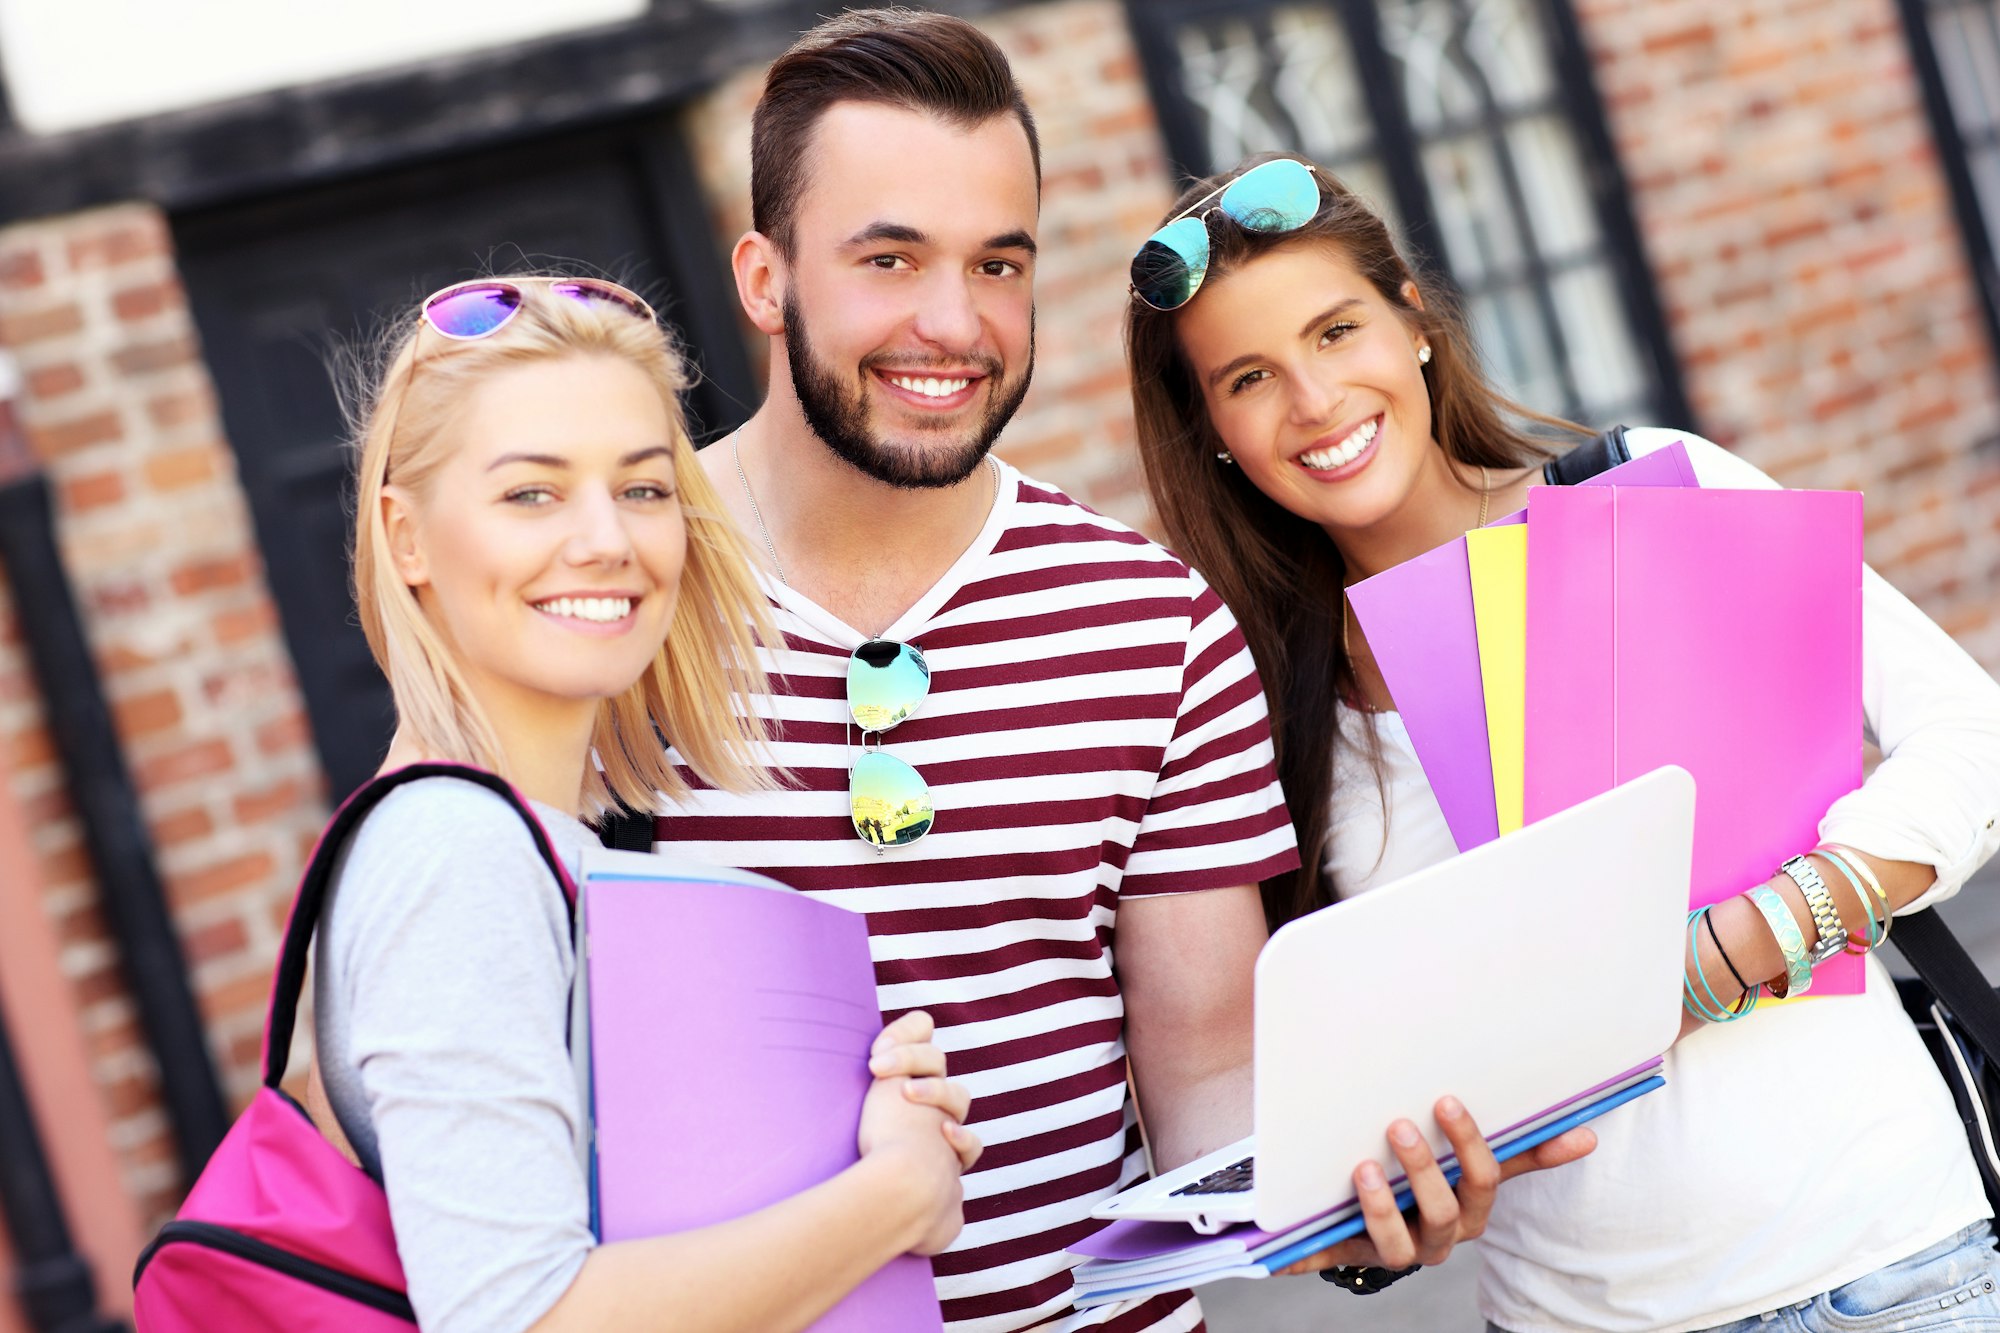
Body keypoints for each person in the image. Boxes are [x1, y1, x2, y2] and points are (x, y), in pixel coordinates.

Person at [654, 12, 1595, 1332]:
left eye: (998, 263)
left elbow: (1209, 1085)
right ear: (765, 277)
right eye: (889, 259)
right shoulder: (617, 598)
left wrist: (1366, 1207)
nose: (952, 321)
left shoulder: (1157, 628)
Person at [1124, 151, 2000, 1332]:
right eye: (1248, 377)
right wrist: (1373, 1220)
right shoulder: (1265, 709)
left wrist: (1755, 933)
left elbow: (1967, 732)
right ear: (1214, 430)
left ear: (1415, 322)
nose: (1314, 401)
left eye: (1336, 332)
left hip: (1883, 1266)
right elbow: (1309, 1088)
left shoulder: (1645, 493)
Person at [313, 273, 983, 1333]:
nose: (605, 541)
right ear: (405, 537)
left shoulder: (552, 843)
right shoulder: (455, 851)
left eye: (641, 487)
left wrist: (851, 1119)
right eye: (531, 493)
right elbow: (520, 1320)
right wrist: (894, 1195)